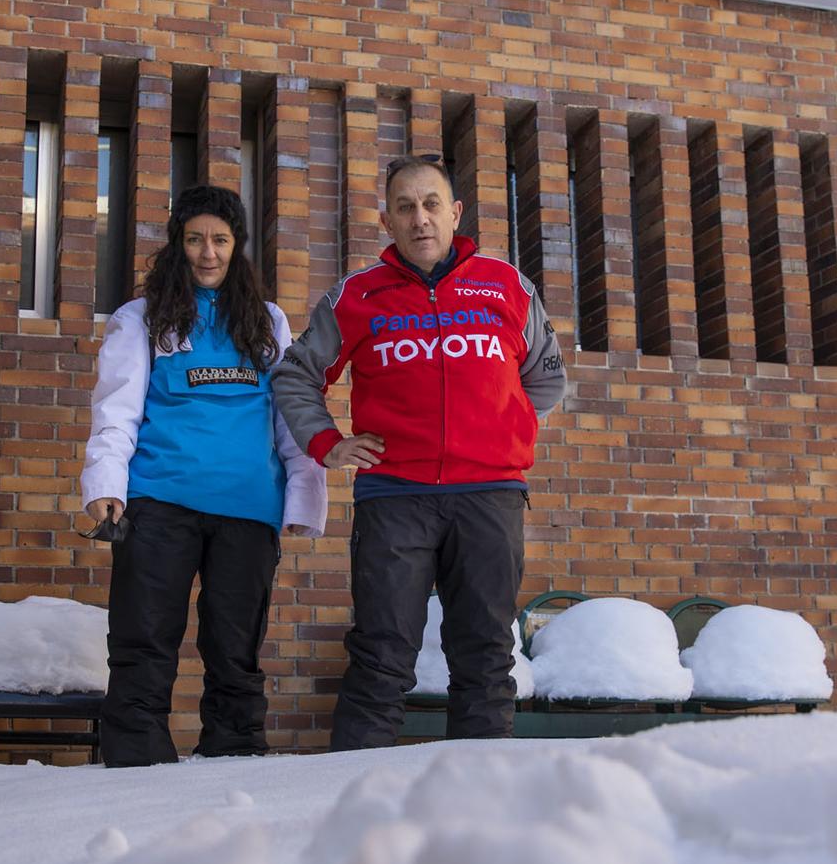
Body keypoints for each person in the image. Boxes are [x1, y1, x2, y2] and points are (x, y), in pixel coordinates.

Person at [273, 154, 564, 749]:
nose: (420, 218)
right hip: (396, 496)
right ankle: (354, 800)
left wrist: (501, 430)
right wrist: (327, 443)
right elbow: (296, 375)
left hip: (489, 495)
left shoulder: (507, 285)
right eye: (405, 207)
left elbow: (546, 377)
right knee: (382, 652)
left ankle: (480, 803)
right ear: (387, 219)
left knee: (485, 653)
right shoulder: (356, 296)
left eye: (432, 204)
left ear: (455, 213)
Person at [80, 184, 327, 766]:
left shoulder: (266, 322)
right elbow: (116, 411)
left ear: (237, 245)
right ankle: (136, 762)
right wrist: (106, 487)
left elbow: (290, 417)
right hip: (159, 503)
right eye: (194, 239)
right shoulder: (141, 318)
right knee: (144, 641)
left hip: (247, 509)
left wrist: (302, 501)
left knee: (235, 648)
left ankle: (234, 758)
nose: (207, 253)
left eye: (219, 239)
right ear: (177, 244)